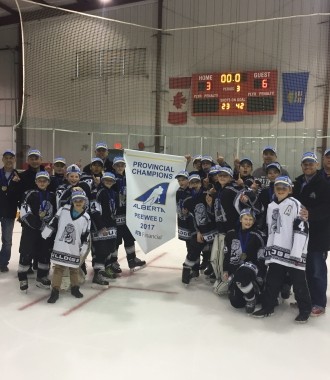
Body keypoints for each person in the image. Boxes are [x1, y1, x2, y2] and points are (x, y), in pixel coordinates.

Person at [252, 176, 312, 323]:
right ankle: (268, 306)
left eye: (284, 188)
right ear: (274, 189)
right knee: (272, 280)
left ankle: (305, 310)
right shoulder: (271, 206)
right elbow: (271, 230)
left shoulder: (295, 204)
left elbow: (302, 228)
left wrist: (296, 253)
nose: (280, 190)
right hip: (276, 252)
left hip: (293, 253)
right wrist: (269, 251)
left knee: (299, 283)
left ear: (290, 189)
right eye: (278, 187)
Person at [292, 152, 330, 317]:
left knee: (317, 270)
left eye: (311, 164)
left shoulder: (324, 184)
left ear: (316, 165)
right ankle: (305, 300)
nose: (308, 166)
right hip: (301, 234)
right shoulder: (298, 182)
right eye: (305, 164)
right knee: (303, 269)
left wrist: (311, 214)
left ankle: (319, 302)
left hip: (318, 236)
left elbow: (327, 207)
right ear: (302, 166)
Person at [42, 189, 91, 303]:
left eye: (81, 200)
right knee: (58, 269)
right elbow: (54, 221)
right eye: (76, 200)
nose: (78, 202)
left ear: (85, 201)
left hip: (74, 247)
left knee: (74, 269)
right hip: (61, 245)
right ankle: (55, 291)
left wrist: (83, 246)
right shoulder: (64, 209)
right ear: (72, 201)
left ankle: (75, 288)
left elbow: (86, 234)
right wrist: (47, 231)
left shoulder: (86, 217)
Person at [18, 171, 57, 291]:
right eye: (39, 180)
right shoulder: (29, 194)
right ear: (35, 182)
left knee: (44, 253)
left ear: (48, 182)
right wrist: (39, 225)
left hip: (46, 230)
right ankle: (22, 277)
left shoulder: (52, 195)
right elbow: (25, 213)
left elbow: (56, 213)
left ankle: (41, 276)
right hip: (31, 230)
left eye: (44, 180)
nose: (42, 182)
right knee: (27, 252)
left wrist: (50, 227)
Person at [224, 208, 266, 313]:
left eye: (250, 219)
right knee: (236, 303)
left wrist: (261, 275)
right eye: (246, 219)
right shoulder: (230, 234)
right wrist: (226, 270)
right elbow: (227, 254)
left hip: (251, 267)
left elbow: (262, 258)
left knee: (242, 275)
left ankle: (251, 298)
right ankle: (252, 292)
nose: (248, 222)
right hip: (236, 267)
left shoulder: (258, 235)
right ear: (241, 219)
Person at [109, 156, 146, 273]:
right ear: (113, 167)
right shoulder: (111, 178)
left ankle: (132, 259)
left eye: (122, 165)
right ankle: (113, 261)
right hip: (116, 215)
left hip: (129, 214)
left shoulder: (129, 177)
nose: (120, 167)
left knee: (130, 238)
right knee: (116, 240)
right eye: (117, 165)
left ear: (125, 166)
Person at [181, 174, 217, 285]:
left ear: (201, 183)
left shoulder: (208, 194)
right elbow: (190, 218)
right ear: (189, 184)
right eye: (193, 183)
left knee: (214, 254)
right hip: (200, 232)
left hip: (213, 230)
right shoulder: (188, 201)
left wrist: (211, 203)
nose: (195, 185)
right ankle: (186, 274)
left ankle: (214, 273)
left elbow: (216, 214)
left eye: (197, 182)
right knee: (192, 252)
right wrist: (197, 231)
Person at [90, 172, 118, 287]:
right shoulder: (98, 193)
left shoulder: (113, 193)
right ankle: (98, 274)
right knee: (101, 251)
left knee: (109, 249)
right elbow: (94, 211)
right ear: (102, 180)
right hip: (101, 228)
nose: (108, 182)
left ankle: (105, 270)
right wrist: (101, 226)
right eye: (106, 180)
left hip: (111, 226)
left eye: (110, 180)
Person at [0, 150, 21, 272]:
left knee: (7, 241)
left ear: (14, 160)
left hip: (9, 212)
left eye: (11, 158)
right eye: (6, 157)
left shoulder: (18, 176)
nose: (8, 160)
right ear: (2, 159)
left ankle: (3, 263)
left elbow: (18, 195)